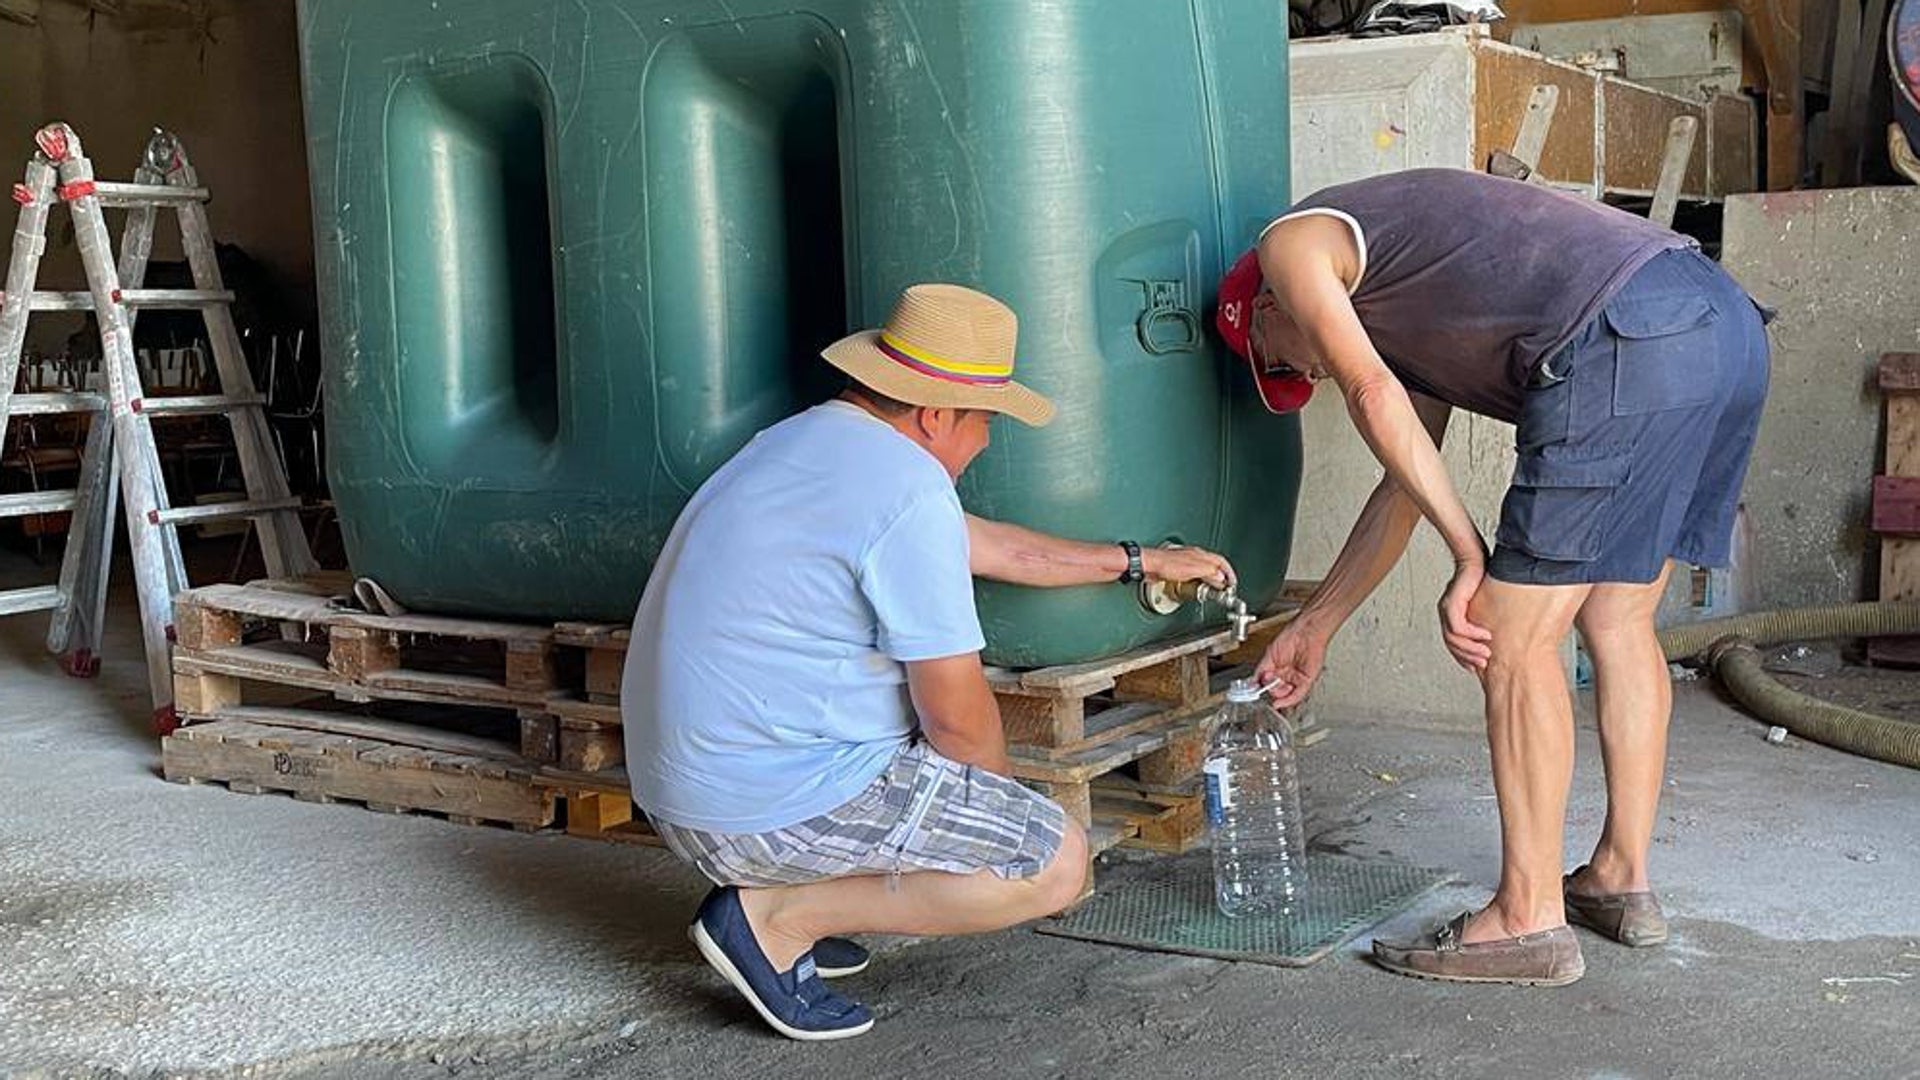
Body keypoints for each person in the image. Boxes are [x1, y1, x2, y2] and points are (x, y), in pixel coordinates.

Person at [622, 283, 1237, 1039]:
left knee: (937, 776)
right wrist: (1001, 822)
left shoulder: (809, 441)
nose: (983, 441)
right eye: (983, 421)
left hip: (683, 791)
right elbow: (954, 713)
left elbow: (998, 546)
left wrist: (1141, 561)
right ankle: (775, 918)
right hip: (759, 810)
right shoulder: (904, 488)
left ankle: (796, 901)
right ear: (936, 414)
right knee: (1050, 862)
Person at [1216, 167, 1769, 986]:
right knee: (1618, 621)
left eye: (1282, 359)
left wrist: (1472, 558)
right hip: (1718, 324)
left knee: (1511, 640)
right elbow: (1404, 480)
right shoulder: (1404, 304)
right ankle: (1619, 876)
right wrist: (1318, 621)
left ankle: (1525, 920)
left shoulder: (1290, 245)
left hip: (1624, 333)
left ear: (1265, 308)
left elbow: (1368, 390)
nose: (1313, 374)